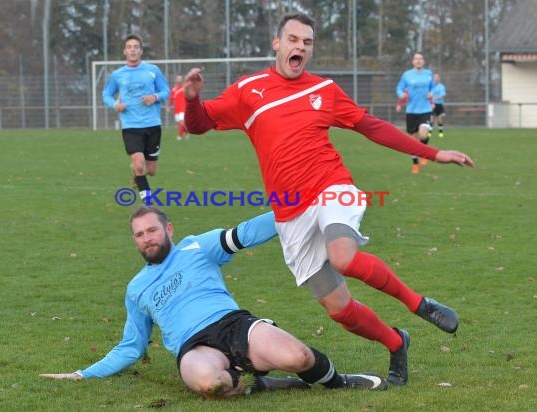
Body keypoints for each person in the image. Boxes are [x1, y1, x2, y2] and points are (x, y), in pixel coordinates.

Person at [183, 13, 474, 386]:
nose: (300, 47)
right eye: (293, 40)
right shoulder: (248, 91)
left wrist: (433, 153)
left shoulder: (324, 90)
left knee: (343, 256)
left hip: (331, 188)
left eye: (307, 42)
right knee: (339, 309)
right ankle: (396, 341)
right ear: (277, 43)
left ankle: (420, 304)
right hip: (290, 213)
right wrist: (191, 100)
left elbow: (371, 127)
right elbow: (199, 123)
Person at [40, 206, 388, 398]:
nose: (147, 239)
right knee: (211, 384)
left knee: (298, 356)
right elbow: (131, 347)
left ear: (169, 229)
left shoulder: (197, 246)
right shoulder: (136, 289)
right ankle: (258, 383)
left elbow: (247, 233)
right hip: (193, 348)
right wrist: (82, 374)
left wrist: (298, 210)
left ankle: (338, 382)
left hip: (232, 324)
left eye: (152, 230)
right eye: (140, 234)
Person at [102, 34, 170, 202]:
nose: (133, 50)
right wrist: (115, 104)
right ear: (125, 51)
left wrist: (154, 97)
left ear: (140, 51)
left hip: (152, 124)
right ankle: (148, 202)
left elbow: (165, 91)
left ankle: (137, 174)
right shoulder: (118, 74)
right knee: (139, 163)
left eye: (136, 47)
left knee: (151, 169)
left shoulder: (152, 70)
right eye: (129, 47)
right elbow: (107, 94)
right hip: (131, 125)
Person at [396, 52, 435, 173]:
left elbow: (432, 88)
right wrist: (401, 95)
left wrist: (431, 93)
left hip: (425, 109)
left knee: (423, 134)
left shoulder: (429, 74)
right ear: (413, 61)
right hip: (411, 111)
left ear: (423, 61)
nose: (418, 61)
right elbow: (399, 88)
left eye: (421, 58)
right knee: (413, 141)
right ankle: (415, 164)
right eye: (416, 59)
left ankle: (424, 152)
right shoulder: (407, 75)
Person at [168, 74, 189, 141]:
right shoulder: (173, 89)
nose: (179, 80)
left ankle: (180, 136)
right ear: (176, 80)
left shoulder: (184, 88)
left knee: (181, 121)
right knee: (180, 123)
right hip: (177, 108)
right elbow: (171, 98)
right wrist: (169, 106)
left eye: (180, 79)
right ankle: (187, 132)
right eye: (178, 79)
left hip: (183, 107)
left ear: (182, 80)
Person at [431, 73, 446, 138]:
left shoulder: (441, 86)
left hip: (439, 104)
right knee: (431, 119)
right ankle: (429, 132)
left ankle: (440, 132)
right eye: (434, 77)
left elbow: (442, 96)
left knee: (440, 118)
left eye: (437, 77)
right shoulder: (430, 86)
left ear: (439, 78)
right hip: (431, 104)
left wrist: (434, 98)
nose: (436, 79)